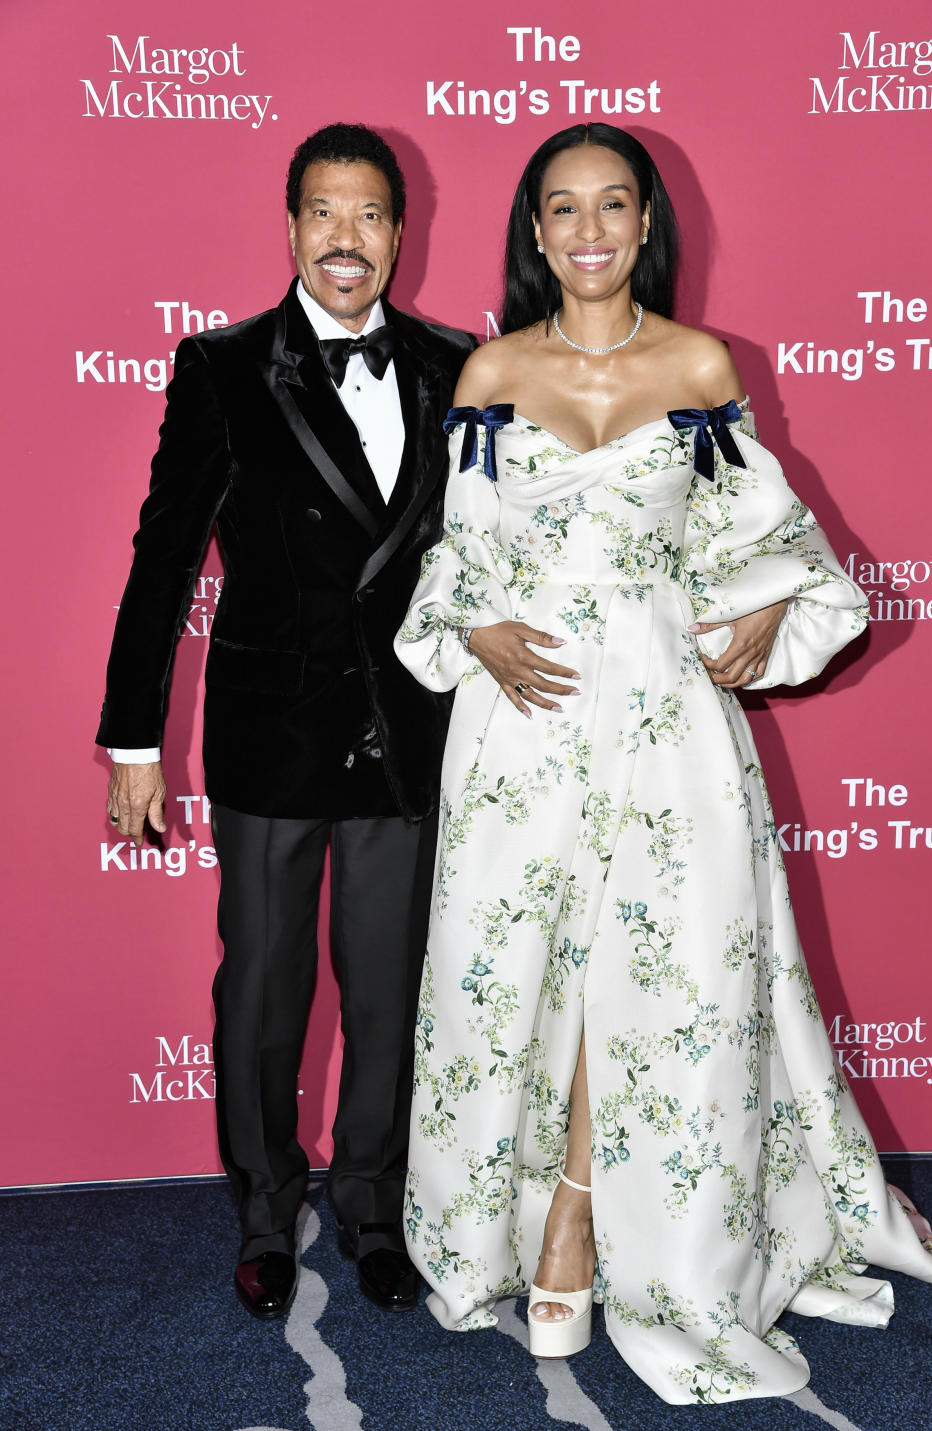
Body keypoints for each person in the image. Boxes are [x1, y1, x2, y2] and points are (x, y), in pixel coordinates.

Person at [393, 122, 932, 1403]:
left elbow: (770, 539)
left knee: (658, 976)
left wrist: (760, 613)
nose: (588, 230)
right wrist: (472, 622)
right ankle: (521, 1219)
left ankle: (577, 1229)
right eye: (562, 209)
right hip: (521, 716)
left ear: (647, 224)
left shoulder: (702, 367)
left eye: (612, 206)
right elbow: (457, 549)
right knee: (527, 968)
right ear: (534, 233)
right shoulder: (488, 375)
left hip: (661, 711)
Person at [97, 123, 475, 1321]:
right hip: (271, 733)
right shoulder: (222, 366)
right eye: (323, 212)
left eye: (369, 215)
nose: (346, 238)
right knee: (261, 992)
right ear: (292, 225)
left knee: (387, 989)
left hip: (406, 734)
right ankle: (264, 1212)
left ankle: (372, 1206)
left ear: (401, 232)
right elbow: (162, 561)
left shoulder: (457, 364)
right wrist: (135, 741)